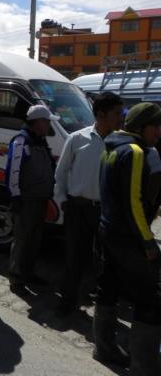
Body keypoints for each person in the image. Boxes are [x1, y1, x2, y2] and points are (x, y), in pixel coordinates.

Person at [93, 102, 161, 371]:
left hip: (107, 230)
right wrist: (148, 242)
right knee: (151, 298)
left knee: (108, 287)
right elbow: (134, 203)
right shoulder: (134, 152)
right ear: (140, 127)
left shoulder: (111, 147)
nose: (159, 132)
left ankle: (104, 348)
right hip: (127, 236)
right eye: (155, 126)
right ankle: (144, 366)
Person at [53, 91, 124, 318]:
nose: (121, 117)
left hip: (108, 211)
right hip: (79, 208)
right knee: (74, 257)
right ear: (101, 114)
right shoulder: (77, 139)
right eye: (116, 113)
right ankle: (67, 299)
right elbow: (61, 172)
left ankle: (104, 304)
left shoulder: (122, 143)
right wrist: (63, 199)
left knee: (106, 259)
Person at [5, 104, 58, 296]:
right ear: (39, 122)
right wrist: (15, 197)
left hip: (40, 197)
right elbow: (13, 170)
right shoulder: (22, 140)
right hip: (27, 199)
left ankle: (28, 272)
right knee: (22, 240)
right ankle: (16, 278)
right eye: (47, 122)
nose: (49, 125)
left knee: (34, 240)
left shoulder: (40, 140)